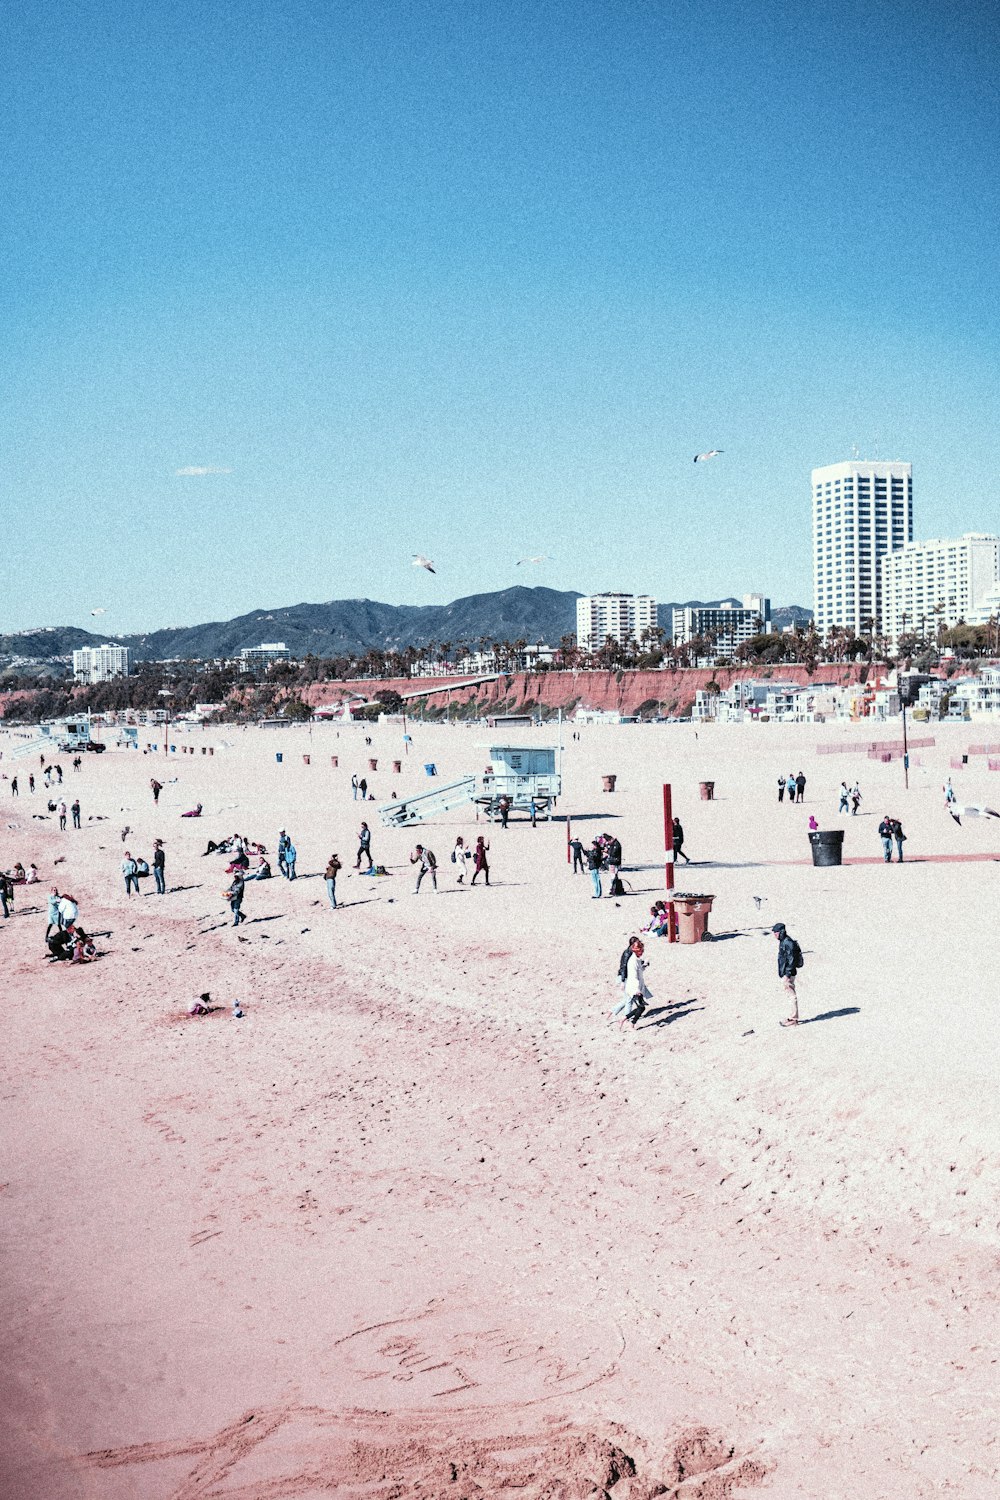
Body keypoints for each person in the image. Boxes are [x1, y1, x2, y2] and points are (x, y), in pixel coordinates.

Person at [611, 937, 652, 1027]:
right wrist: (624, 982)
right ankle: (628, 1022)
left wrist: (645, 964)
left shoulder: (636, 958)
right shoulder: (630, 958)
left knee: (637, 1005)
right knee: (636, 1005)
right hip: (631, 985)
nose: (643, 952)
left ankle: (622, 1018)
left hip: (634, 985)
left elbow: (639, 970)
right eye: (641, 950)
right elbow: (629, 973)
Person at [772, 921, 804, 1027]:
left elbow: (791, 959)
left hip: (788, 973)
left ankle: (793, 1018)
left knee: (791, 995)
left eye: (776, 932)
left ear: (781, 932)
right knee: (790, 994)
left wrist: (787, 974)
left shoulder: (787, 942)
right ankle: (792, 1017)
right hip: (786, 972)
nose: (774, 935)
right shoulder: (784, 941)